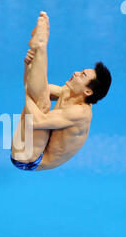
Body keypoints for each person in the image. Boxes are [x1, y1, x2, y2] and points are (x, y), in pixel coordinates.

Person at [10, 11, 112, 171]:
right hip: (28, 144)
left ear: (87, 92)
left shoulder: (80, 113)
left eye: (82, 75)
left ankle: (42, 47)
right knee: (42, 94)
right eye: (80, 71)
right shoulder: (68, 92)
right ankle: (41, 47)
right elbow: (37, 88)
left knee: (41, 106)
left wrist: (26, 89)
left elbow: (36, 122)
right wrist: (28, 66)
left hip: (29, 159)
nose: (75, 73)